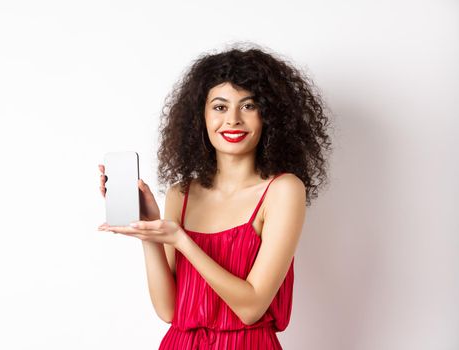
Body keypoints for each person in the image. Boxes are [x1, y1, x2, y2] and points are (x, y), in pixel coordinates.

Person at [97, 43, 332, 350]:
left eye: (248, 106)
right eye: (220, 107)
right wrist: (150, 233)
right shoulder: (181, 193)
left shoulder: (283, 190)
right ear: (201, 117)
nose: (233, 119)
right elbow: (168, 310)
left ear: (269, 116)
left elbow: (251, 308)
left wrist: (182, 240)